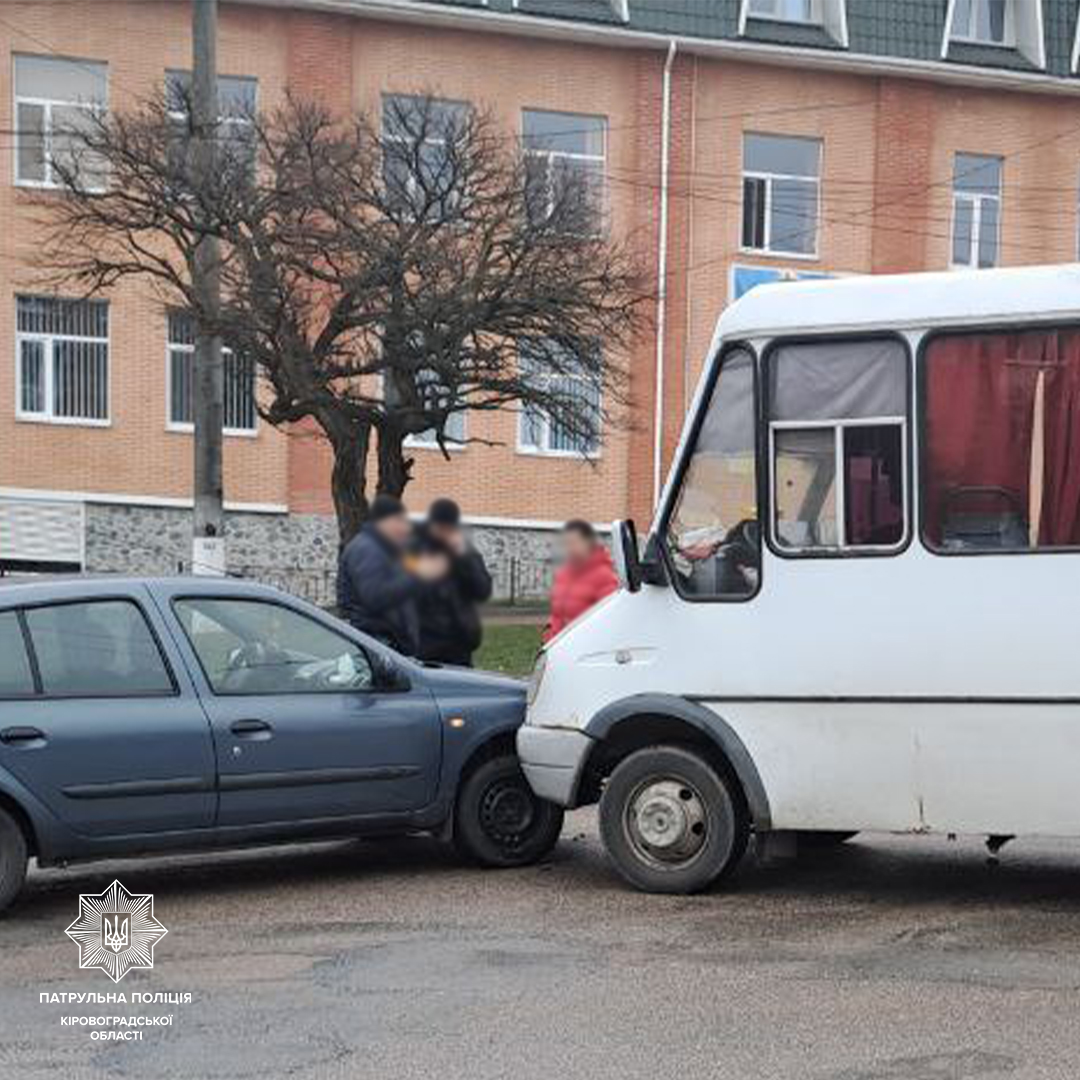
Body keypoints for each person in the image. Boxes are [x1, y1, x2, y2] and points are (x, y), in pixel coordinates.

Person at [337, 494, 448, 655]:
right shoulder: (367, 549)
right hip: (377, 640)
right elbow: (376, 596)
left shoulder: (384, 547)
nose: (405, 527)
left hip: (388, 639)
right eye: (400, 521)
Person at [415, 498, 493, 667]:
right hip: (427, 645)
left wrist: (463, 557)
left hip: (460, 643)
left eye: (449, 528)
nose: (445, 533)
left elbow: (483, 590)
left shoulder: (466, 553)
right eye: (440, 528)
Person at [544, 519, 619, 643]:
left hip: (585, 645)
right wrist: (549, 636)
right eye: (567, 543)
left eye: (574, 542)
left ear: (588, 542)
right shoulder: (563, 574)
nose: (570, 548)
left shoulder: (604, 576)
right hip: (557, 645)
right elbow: (557, 613)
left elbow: (609, 618)